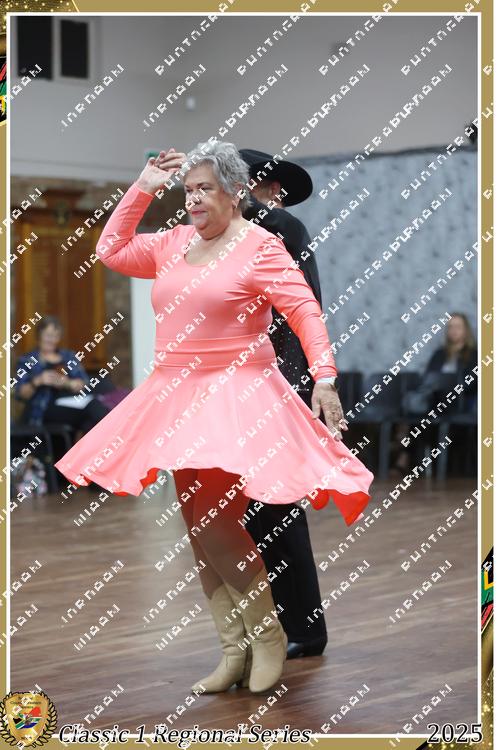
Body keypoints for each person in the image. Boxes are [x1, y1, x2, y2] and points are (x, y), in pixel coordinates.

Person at [54, 141, 374, 695]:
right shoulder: (174, 241)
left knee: (217, 523)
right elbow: (111, 249)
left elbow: (304, 310)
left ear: (234, 191)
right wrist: (144, 186)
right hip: (176, 395)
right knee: (198, 527)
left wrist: (324, 376)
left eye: (205, 188)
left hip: (238, 396)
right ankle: (233, 649)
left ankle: (268, 636)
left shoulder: (261, 246)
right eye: (188, 190)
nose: (194, 199)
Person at [238, 148, 329, 659]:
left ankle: (306, 629)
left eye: (237, 184)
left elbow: (300, 316)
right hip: (247, 388)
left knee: (276, 508)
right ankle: (275, 625)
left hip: (283, 382)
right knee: (252, 514)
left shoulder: (284, 227)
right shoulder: (239, 236)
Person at [392, 312, 477, 474]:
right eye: (450, 327)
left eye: (458, 327)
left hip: (458, 401)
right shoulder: (440, 354)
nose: (454, 330)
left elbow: (472, 383)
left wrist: (449, 385)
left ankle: (405, 452)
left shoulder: (473, 355)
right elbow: (428, 378)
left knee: (422, 414)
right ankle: (407, 451)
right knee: (417, 411)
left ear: (466, 330)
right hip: (435, 399)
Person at [14, 315, 109, 434]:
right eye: (48, 335)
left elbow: (83, 384)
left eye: (56, 336)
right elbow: (20, 394)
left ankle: (106, 443)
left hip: (70, 402)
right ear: (39, 335)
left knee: (91, 417)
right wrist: (38, 381)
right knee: (92, 408)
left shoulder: (68, 356)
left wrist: (66, 383)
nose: (51, 340)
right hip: (43, 408)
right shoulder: (27, 360)